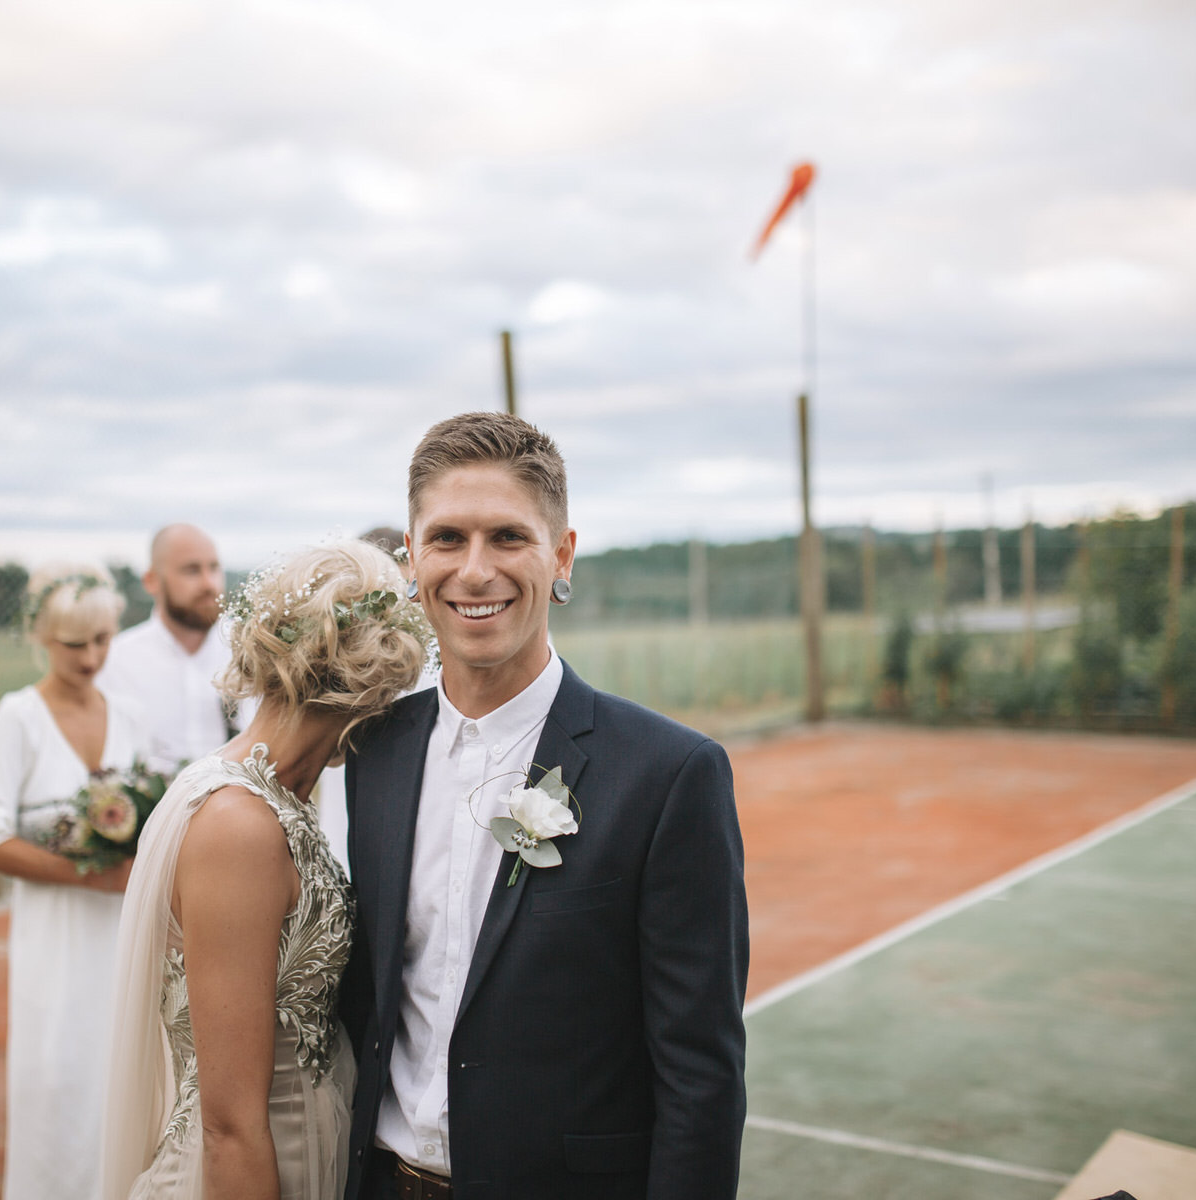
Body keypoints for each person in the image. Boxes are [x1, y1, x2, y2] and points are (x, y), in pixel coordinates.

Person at [342, 413, 750, 1199]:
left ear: (561, 556)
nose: (475, 571)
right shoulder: (374, 750)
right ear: (413, 560)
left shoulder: (669, 774)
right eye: (448, 539)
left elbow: (701, 1073)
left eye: (507, 537)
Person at [102, 540, 431, 1200]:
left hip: (304, 1149)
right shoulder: (238, 825)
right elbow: (230, 1125)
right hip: (256, 1167)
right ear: (367, 692)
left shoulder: (281, 801)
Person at [0, 565, 148, 1200]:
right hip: (55, 942)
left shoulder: (130, 716)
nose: (90, 658)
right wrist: (87, 876)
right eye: (73, 644)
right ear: (40, 636)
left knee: (126, 1083)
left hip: (122, 936)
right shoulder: (20, 717)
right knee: (58, 1083)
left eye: (102, 640)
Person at [98, 523, 241, 772]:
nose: (209, 584)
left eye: (214, 568)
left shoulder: (252, 649)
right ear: (152, 581)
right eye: (191, 570)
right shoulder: (116, 661)